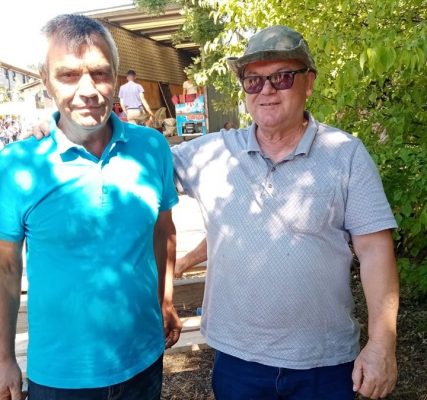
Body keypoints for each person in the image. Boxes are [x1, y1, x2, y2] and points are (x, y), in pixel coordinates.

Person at [172, 26, 399, 400]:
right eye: (253, 80)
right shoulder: (212, 153)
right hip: (237, 362)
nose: (266, 90)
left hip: (324, 364)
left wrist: (381, 345)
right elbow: (139, 169)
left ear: (308, 82)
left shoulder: (345, 154)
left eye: (281, 77)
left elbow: (375, 251)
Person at [0, 14, 181, 400]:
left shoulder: (152, 148)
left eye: (100, 73)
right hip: (60, 376)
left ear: (115, 75)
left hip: (143, 360)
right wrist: (3, 357)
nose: (88, 90)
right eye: (68, 75)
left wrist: (165, 301)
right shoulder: (17, 166)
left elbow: (163, 230)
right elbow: (6, 268)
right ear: (45, 80)